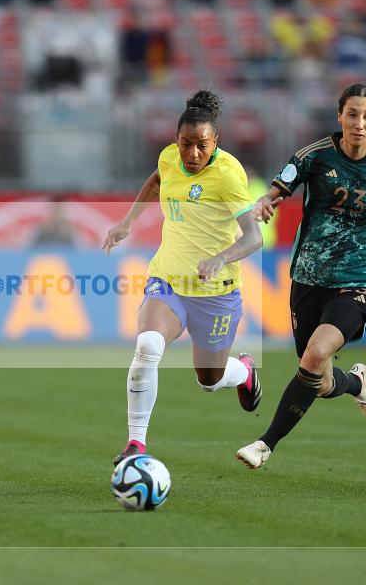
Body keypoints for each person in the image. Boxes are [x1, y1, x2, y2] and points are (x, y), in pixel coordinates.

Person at [236, 83, 366, 469]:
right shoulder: (312, 157)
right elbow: (279, 189)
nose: (359, 123)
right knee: (319, 377)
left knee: (314, 356)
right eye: (352, 114)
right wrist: (265, 202)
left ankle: (264, 445)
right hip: (309, 275)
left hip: (361, 278)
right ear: (340, 117)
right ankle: (356, 384)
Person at [102, 90, 266, 466]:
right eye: (185, 144)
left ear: (216, 142)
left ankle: (243, 372)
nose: (192, 154)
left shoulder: (229, 175)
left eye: (201, 146)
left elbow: (254, 237)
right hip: (169, 280)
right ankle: (136, 445)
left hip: (216, 291)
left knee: (209, 379)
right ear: (176, 141)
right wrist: (127, 222)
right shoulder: (169, 158)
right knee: (148, 346)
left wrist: (219, 259)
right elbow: (156, 181)